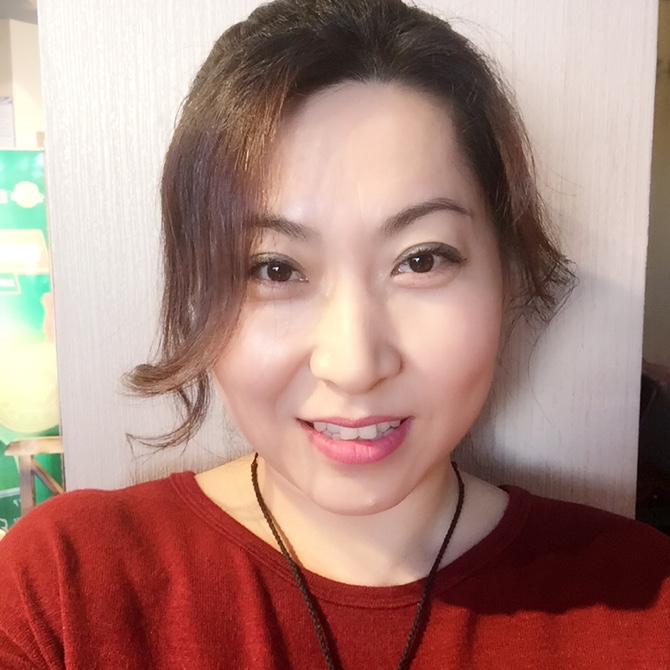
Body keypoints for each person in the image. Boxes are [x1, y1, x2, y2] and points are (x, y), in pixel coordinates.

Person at [1, 0, 669, 668]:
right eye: (274, 268)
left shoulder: (645, 600)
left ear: (506, 274)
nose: (353, 364)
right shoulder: (58, 592)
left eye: (421, 260)